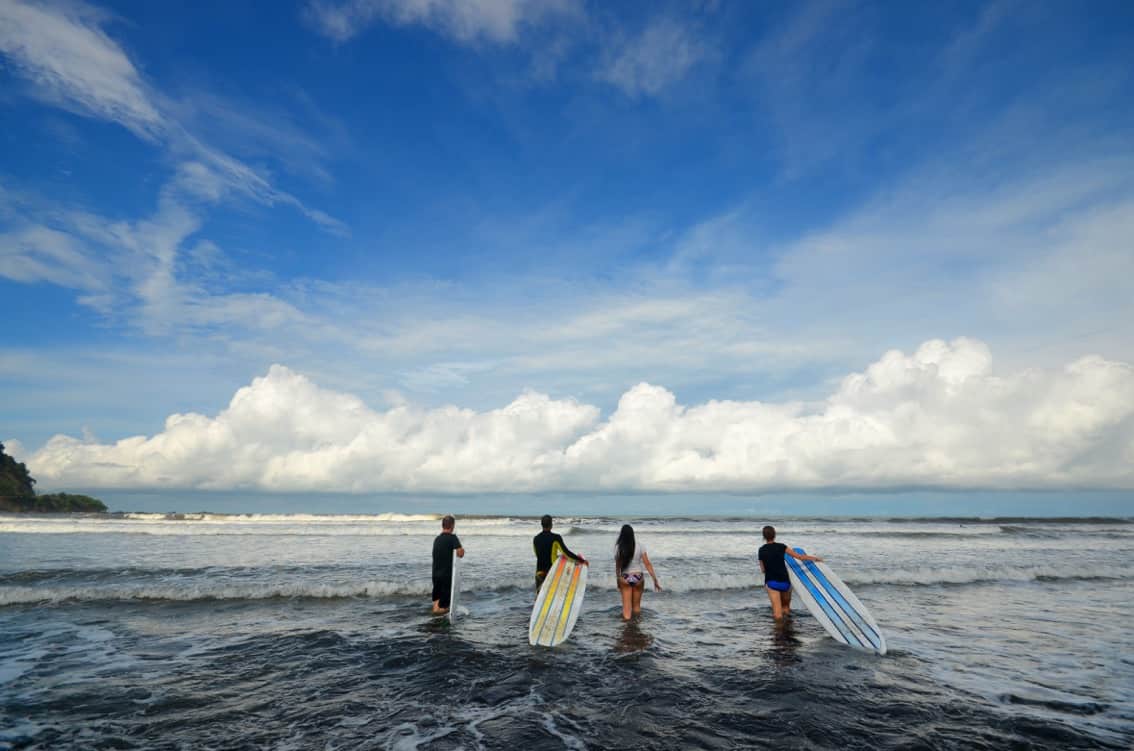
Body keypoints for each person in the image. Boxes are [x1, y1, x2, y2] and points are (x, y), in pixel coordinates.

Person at [757, 525, 821, 620]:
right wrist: (815, 558)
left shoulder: (761, 550)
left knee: (777, 614)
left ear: (763, 537)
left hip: (772, 582)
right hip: (785, 582)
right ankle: (788, 629)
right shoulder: (782, 547)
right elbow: (800, 557)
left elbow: (763, 570)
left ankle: (779, 633)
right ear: (775, 535)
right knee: (786, 608)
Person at [614, 524, 660, 620]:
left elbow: (618, 566)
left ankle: (626, 631)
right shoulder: (640, 546)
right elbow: (647, 564)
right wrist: (655, 580)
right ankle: (636, 628)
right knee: (636, 607)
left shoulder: (618, 548)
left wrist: (618, 580)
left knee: (626, 610)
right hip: (638, 578)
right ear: (632, 534)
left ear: (621, 535)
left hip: (625, 578)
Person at [533, 514, 588, 592]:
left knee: (540, 598)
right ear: (551, 524)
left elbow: (537, 554)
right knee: (552, 594)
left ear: (541, 525)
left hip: (539, 572)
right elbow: (566, 553)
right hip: (551, 571)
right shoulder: (556, 538)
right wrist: (581, 560)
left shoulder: (536, 538)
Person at [431, 515, 465, 614]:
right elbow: (460, 553)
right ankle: (442, 615)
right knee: (445, 605)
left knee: (437, 598)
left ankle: (435, 614)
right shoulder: (453, 538)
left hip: (435, 574)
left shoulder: (437, 539)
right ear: (452, 526)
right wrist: (462, 550)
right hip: (446, 575)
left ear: (443, 525)